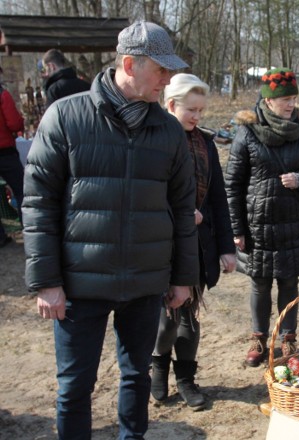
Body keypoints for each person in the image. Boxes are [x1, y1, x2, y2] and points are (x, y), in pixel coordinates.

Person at [22, 21, 198, 439]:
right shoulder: (65, 117)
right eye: (161, 70)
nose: (168, 80)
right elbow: (39, 203)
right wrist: (46, 281)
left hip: (144, 283)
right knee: (75, 387)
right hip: (78, 284)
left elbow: (181, 207)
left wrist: (182, 278)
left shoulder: (170, 131)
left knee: (137, 377)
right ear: (129, 64)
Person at [225, 68, 299, 367]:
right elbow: (232, 184)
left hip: (292, 221)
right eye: (283, 99)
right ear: (268, 101)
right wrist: (237, 228)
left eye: (293, 98)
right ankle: (258, 338)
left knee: (289, 282)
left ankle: (288, 339)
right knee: (259, 283)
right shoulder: (247, 132)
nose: (290, 104)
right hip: (257, 225)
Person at [151, 73, 237, 410]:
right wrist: (182, 214)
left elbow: (218, 198)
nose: (197, 117)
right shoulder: (155, 139)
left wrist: (227, 247)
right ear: (171, 105)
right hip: (161, 246)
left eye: (201, 110)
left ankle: (186, 378)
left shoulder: (206, 144)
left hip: (199, 246)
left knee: (189, 317)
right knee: (166, 318)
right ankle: (158, 367)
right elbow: (149, 194)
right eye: (191, 109)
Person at [0, 66, 25, 248]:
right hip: (5, 151)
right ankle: (30, 228)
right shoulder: (3, 94)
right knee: (22, 190)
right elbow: (14, 123)